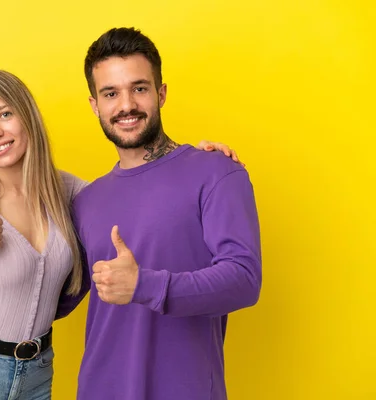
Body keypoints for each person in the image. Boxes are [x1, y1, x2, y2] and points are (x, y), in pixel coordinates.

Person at [0, 69, 241, 399]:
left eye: (5, 114)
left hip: (36, 373)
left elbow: (141, 205)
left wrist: (198, 163)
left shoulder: (71, 193)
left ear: (27, 116)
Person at [69, 27, 262, 400]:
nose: (126, 105)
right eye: (111, 93)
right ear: (95, 105)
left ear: (161, 93)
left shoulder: (216, 172)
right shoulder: (85, 200)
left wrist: (144, 285)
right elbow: (56, 296)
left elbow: (244, 279)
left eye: (139, 88)